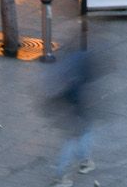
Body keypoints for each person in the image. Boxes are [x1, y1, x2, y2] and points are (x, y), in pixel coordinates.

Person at [47, 29, 100, 186]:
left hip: (71, 102)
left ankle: (80, 164)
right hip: (77, 102)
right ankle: (64, 173)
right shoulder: (84, 57)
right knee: (78, 135)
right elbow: (89, 77)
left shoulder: (69, 57)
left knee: (78, 134)